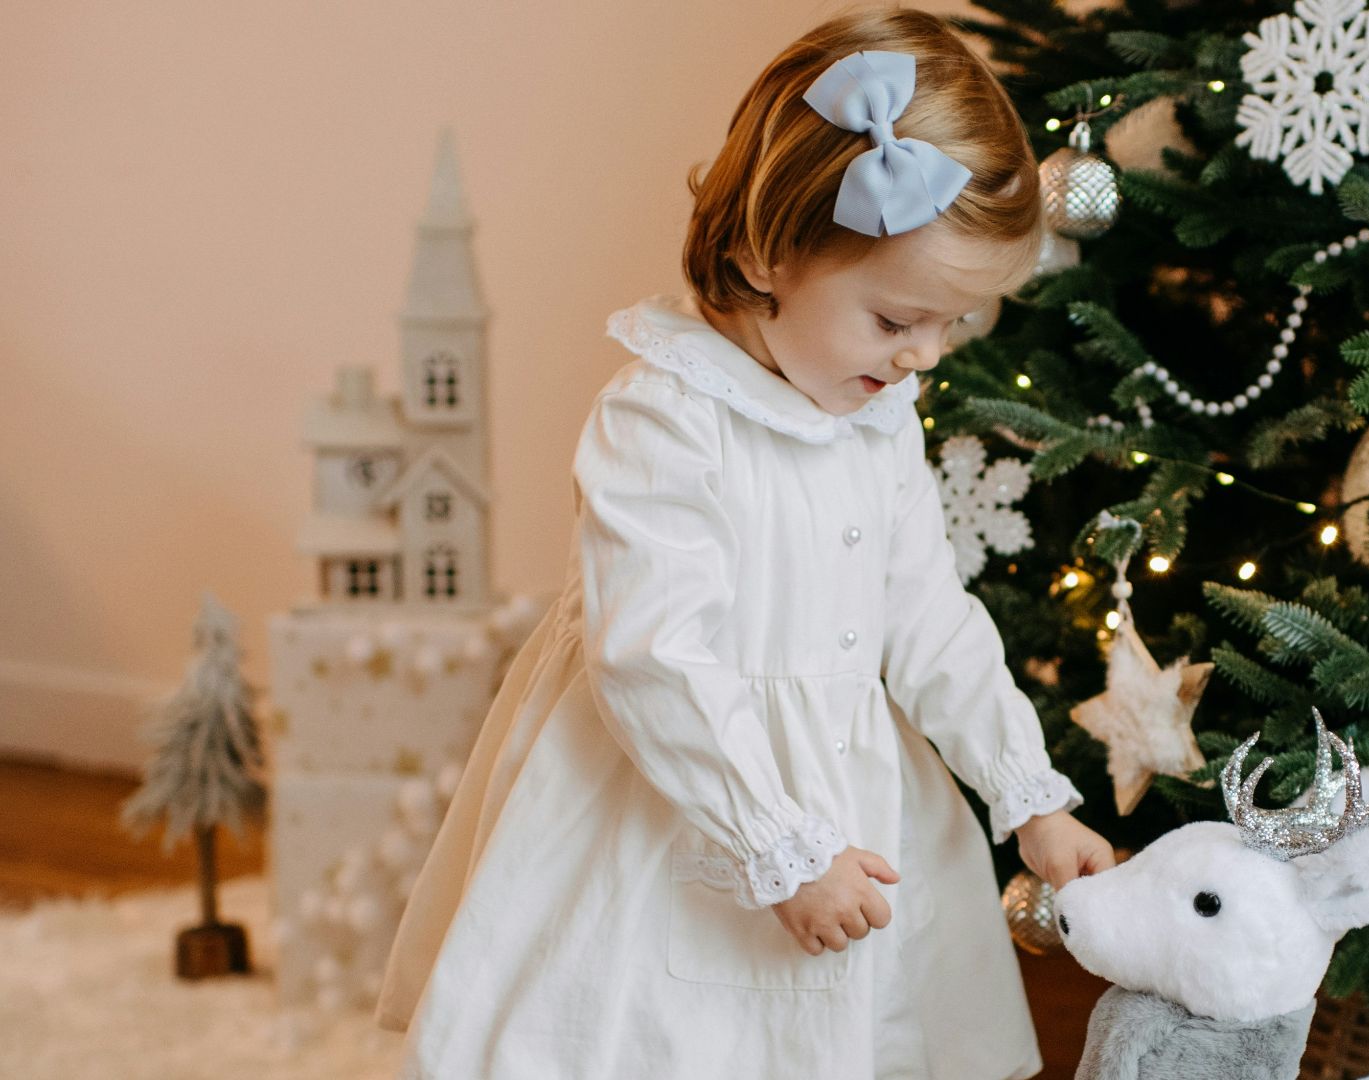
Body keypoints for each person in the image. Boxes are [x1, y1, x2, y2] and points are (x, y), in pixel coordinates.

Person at [375, 8, 1116, 1077]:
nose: (923, 357)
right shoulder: (666, 420)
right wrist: (780, 846)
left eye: (950, 326)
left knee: (855, 1041)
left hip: (853, 791)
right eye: (895, 321)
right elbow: (654, 659)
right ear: (769, 253)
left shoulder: (879, 419)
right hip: (686, 785)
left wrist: (1027, 793)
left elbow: (928, 620)